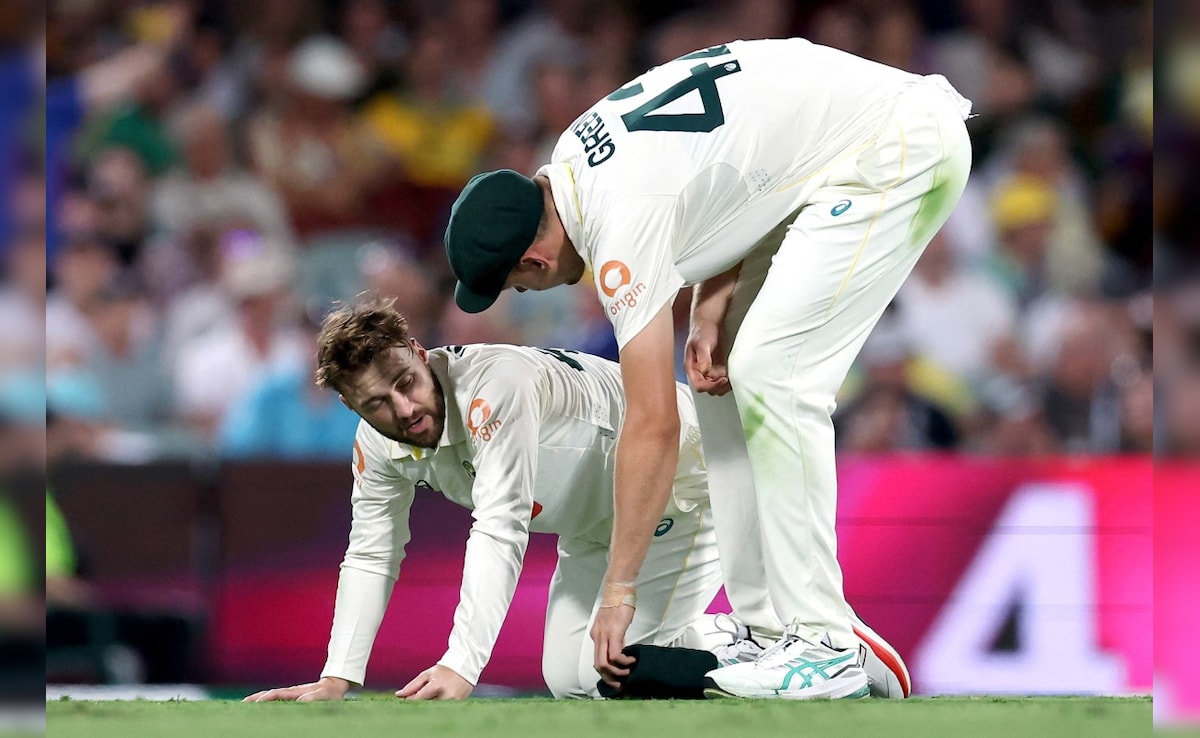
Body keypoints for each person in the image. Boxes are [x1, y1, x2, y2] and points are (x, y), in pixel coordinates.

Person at [443, 37, 969, 699]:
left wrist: (620, 591)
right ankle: (767, 626)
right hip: (835, 149)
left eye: (517, 284)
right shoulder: (574, 159)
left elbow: (653, 425)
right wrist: (713, 300)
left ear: (534, 261)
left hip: (893, 146)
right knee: (719, 376)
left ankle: (825, 643)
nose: (527, 291)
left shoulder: (616, 226)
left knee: (774, 374)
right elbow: (739, 167)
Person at [243, 296, 723, 700]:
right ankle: (707, 642)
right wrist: (337, 676)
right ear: (350, 406)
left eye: (406, 382)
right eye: (377, 403)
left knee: (611, 675)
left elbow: (500, 526)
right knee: (569, 680)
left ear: (420, 353)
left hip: (679, 482)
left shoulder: (495, 387)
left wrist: (461, 664)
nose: (404, 409)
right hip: (597, 525)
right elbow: (371, 553)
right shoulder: (376, 444)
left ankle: (737, 642)